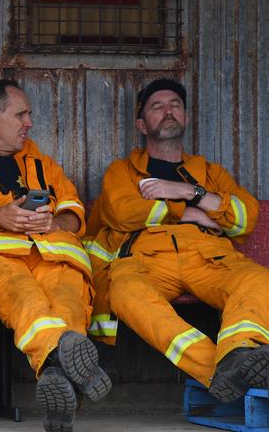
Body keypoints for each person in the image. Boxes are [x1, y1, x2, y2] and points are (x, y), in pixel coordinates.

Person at [0, 79, 111, 432]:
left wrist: (52, 221)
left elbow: (76, 214)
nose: (29, 122)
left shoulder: (44, 165)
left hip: (56, 256)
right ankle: (66, 366)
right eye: (21, 114)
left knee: (68, 304)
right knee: (26, 298)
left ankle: (56, 374)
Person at [85, 78, 269, 402]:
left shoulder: (211, 173)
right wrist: (189, 211)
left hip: (209, 257)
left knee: (259, 280)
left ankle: (240, 353)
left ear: (184, 117)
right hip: (145, 259)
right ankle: (220, 371)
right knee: (125, 292)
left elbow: (245, 217)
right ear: (142, 124)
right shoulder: (123, 171)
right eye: (157, 106)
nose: (168, 110)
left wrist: (187, 190)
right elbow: (123, 212)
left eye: (175, 105)